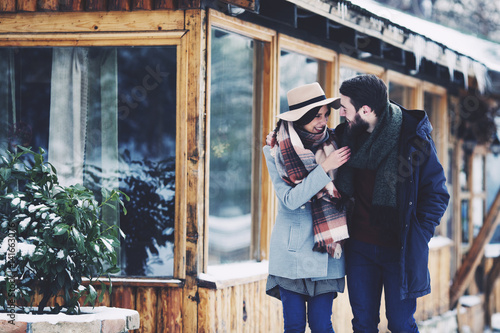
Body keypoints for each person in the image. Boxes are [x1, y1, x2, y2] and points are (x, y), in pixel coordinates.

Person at [333, 74, 450, 332]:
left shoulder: (412, 139)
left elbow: (437, 193)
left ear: (365, 110)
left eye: (345, 108)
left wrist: (419, 233)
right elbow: (311, 138)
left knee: (400, 324)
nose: (342, 114)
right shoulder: (347, 136)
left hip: (400, 250)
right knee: (363, 324)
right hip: (360, 249)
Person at [263, 82, 351, 333]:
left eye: (325, 115)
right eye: (316, 117)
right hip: (292, 254)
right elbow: (290, 200)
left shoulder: (336, 144)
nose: (323, 122)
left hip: (327, 249)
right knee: (294, 326)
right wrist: (323, 169)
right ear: (299, 119)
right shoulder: (275, 151)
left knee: (322, 325)